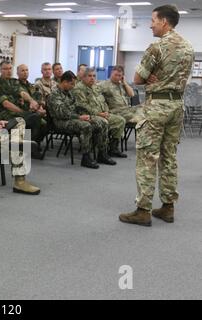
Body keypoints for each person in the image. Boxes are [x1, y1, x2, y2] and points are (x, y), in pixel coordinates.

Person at [119, 5, 194, 226]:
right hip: (177, 106)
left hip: (156, 107)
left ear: (164, 22)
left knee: (147, 157)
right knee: (169, 157)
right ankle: (168, 207)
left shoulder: (157, 46)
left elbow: (138, 79)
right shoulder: (189, 47)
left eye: (153, 20)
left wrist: (153, 77)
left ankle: (143, 210)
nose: (150, 24)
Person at [47, 71, 115, 169]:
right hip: (61, 121)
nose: (73, 86)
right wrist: (79, 117)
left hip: (74, 117)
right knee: (85, 126)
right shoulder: (54, 95)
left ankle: (102, 153)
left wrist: (89, 115)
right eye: (72, 84)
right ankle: (86, 157)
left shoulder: (69, 93)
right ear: (64, 82)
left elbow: (77, 106)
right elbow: (61, 113)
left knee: (102, 122)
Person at [0, 61, 47, 157]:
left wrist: (31, 101)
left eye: (10, 68)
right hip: (2, 113)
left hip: (15, 112)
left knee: (41, 120)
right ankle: (30, 149)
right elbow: (6, 104)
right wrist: (22, 112)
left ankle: (32, 146)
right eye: (5, 69)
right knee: (33, 118)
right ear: (0, 70)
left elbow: (22, 92)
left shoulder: (13, 82)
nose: (8, 71)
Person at [73, 67, 127, 158]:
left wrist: (106, 111)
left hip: (102, 113)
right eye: (89, 76)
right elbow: (83, 106)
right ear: (84, 77)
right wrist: (98, 114)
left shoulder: (95, 87)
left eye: (94, 76)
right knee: (103, 122)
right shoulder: (79, 89)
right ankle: (102, 153)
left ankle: (113, 149)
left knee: (120, 120)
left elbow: (103, 101)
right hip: (88, 115)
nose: (92, 78)